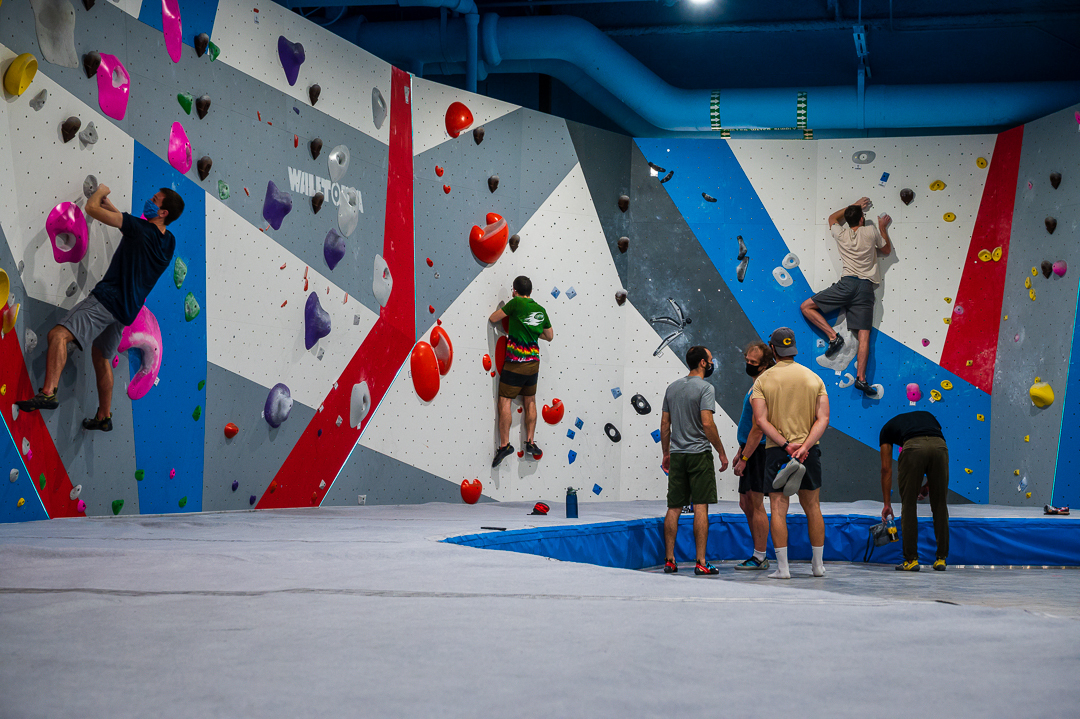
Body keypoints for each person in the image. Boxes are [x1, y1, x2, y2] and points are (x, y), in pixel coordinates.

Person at [17, 185, 183, 430]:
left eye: (154, 200)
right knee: (101, 356)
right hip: (126, 311)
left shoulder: (139, 230)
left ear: (163, 212)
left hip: (107, 300)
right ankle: (104, 416)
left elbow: (91, 209)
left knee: (58, 335)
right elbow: (134, 231)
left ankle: (48, 392)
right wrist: (113, 207)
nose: (149, 200)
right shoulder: (168, 243)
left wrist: (100, 193)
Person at [750, 327, 829, 579]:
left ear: (772, 349)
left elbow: (760, 421)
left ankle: (783, 569)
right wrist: (804, 447)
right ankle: (818, 566)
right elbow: (823, 418)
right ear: (793, 348)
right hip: (809, 452)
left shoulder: (762, 380)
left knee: (778, 507)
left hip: (777, 452)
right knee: (813, 507)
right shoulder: (813, 378)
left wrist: (786, 446)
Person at [800, 197, 892, 395]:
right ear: (861, 220)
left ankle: (833, 337)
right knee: (864, 337)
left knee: (806, 306)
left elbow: (832, 217)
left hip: (846, 285)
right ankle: (861, 379)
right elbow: (886, 249)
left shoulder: (840, 233)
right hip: (865, 288)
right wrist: (883, 227)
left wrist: (856, 204)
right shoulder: (870, 230)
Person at [660, 346, 730, 575]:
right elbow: (707, 423)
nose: (711, 363)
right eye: (710, 360)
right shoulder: (706, 388)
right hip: (699, 454)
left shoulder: (672, 388)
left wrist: (666, 453)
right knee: (701, 506)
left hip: (678, 455)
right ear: (702, 363)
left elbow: (664, 426)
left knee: (674, 507)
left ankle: (669, 560)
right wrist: (720, 451)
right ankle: (701, 561)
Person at [488, 276, 553, 467]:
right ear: (531, 292)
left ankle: (504, 445)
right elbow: (549, 336)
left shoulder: (515, 303)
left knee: (505, 401)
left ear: (515, 291)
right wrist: (532, 330)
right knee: (530, 400)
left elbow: (493, 318)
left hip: (515, 363)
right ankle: (530, 442)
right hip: (533, 363)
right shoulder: (540, 310)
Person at [879, 411, 949, 571]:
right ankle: (941, 559)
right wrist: (927, 487)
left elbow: (885, 469)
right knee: (940, 505)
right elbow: (931, 447)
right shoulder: (929, 416)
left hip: (913, 449)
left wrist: (887, 504)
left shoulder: (886, 430)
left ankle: (911, 560)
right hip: (940, 446)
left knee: (909, 505)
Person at [732, 340, 775, 570]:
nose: (748, 365)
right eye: (747, 360)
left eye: (753, 362)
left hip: (758, 451)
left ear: (765, 364)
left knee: (756, 503)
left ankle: (760, 556)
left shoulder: (763, 386)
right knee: (745, 502)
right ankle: (757, 551)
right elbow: (749, 426)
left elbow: (758, 429)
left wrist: (746, 458)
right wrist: (741, 450)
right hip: (749, 448)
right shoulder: (755, 384)